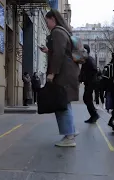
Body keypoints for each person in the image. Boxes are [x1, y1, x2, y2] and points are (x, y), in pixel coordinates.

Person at [40, 9, 80, 147]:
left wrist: (52, 72)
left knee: (61, 104)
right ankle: (71, 131)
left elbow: (59, 54)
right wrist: (48, 51)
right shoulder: (64, 32)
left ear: (53, 19)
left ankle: (69, 136)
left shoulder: (57, 32)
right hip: (68, 72)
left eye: (47, 21)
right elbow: (61, 51)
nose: (46, 24)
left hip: (63, 74)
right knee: (64, 103)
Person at [79, 44, 99, 124]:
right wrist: (81, 78)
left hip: (91, 82)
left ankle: (94, 115)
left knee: (87, 98)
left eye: (83, 51)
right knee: (87, 99)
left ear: (87, 51)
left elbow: (94, 70)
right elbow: (83, 71)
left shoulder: (89, 59)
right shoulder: (85, 60)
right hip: (89, 82)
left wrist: (87, 78)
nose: (82, 52)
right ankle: (93, 115)